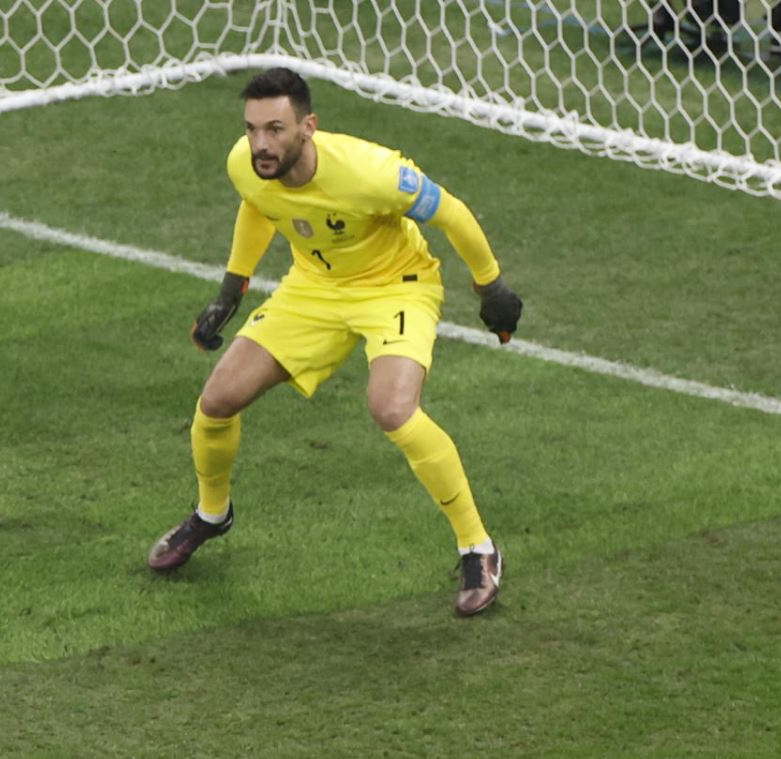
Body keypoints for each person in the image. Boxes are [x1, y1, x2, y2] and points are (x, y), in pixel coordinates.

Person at [146, 68, 523, 617]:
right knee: (216, 401)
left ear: (309, 127)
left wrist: (492, 286)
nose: (260, 144)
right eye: (251, 129)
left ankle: (478, 547)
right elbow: (259, 203)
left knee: (392, 408)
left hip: (396, 286)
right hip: (315, 289)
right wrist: (232, 289)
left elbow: (453, 212)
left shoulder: (371, 174)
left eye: (275, 129)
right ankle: (211, 514)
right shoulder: (246, 163)